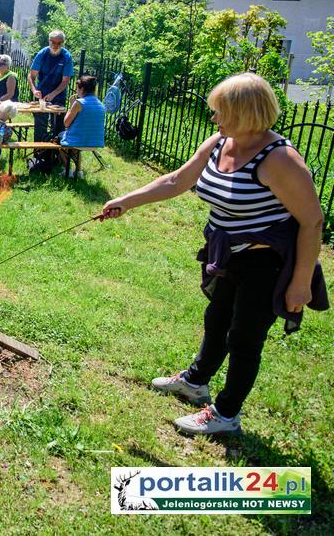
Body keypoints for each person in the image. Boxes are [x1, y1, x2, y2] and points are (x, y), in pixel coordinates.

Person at [101, 73, 327, 436]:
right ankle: (195, 382)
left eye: (220, 111)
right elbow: (177, 180)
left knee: (244, 337)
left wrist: (300, 283)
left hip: (266, 263)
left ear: (243, 112)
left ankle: (225, 414)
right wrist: (126, 202)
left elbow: (313, 222)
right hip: (228, 255)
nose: (214, 118)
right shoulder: (221, 142)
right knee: (216, 319)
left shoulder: (280, 158)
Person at [28, 30, 74, 141]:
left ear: (63, 43)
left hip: (59, 95)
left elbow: (65, 81)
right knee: (40, 126)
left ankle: (55, 155)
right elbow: (31, 76)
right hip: (41, 94)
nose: (55, 45)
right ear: (49, 41)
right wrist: (34, 90)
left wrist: (53, 94)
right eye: (53, 42)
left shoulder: (66, 56)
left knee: (58, 127)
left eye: (59, 43)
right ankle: (38, 154)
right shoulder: (42, 54)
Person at [60, 76, 105, 148]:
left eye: (77, 88)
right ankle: (76, 159)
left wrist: (71, 106)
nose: (76, 90)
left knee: (59, 136)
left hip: (78, 142)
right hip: (96, 143)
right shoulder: (101, 105)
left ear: (82, 89)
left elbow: (66, 123)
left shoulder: (79, 103)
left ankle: (63, 159)